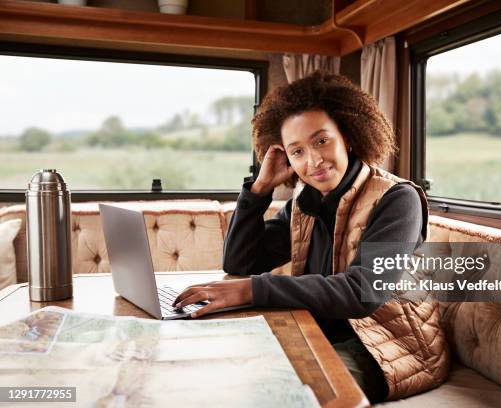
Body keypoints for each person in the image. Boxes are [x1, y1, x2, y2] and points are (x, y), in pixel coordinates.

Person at [173, 71, 448, 402]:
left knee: (286, 394)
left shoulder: (398, 199)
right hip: (317, 331)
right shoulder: (305, 202)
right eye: (297, 151)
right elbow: (240, 261)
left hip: (389, 346)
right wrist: (260, 190)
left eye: (321, 141)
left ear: (347, 135)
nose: (313, 160)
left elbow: (362, 292)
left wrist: (251, 290)